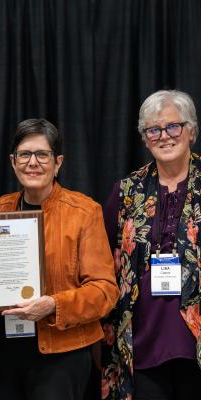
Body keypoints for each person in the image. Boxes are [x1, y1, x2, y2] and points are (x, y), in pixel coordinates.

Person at [0, 118, 119, 400]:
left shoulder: (84, 211)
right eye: (25, 154)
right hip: (1, 354)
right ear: (13, 161)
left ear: (58, 163)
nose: (33, 162)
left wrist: (54, 305)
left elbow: (104, 290)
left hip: (60, 356)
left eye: (43, 154)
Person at [102, 90, 201, 400]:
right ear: (145, 139)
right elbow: (104, 258)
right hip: (141, 341)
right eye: (153, 130)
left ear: (191, 131)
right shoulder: (125, 192)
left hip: (195, 343)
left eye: (173, 126)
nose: (164, 136)